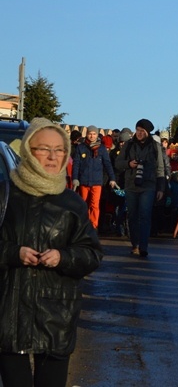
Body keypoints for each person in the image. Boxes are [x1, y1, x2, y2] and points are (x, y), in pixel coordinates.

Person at [0, 118, 103, 387]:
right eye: (43, 148)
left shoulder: (72, 203)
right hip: (9, 311)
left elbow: (92, 253)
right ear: (27, 151)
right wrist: (13, 253)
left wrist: (63, 257)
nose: (52, 156)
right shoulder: (5, 194)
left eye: (59, 150)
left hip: (56, 313)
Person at [115, 119, 167, 257]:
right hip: (131, 185)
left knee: (145, 216)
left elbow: (160, 169)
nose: (139, 133)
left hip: (148, 185)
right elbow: (118, 163)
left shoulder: (155, 147)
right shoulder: (129, 145)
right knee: (132, 216)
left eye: (142, 131)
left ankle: (143, 246)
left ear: (147, 132)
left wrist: (161, 188)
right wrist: (129, 163)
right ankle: (135, 245)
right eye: (137, 130)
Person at [71, 124, 118, 229]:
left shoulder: (101, 149)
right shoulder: (81, 147)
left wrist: (112, 178)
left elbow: (107, 164)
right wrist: (75, 178)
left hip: (97, 181)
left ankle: (93, 226)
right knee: (83, 204)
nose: (92, 136)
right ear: (86, 134)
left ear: (97, 135)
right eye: (90, 134)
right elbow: (76, 164)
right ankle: (83, 225)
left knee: (94, 205)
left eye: (94, 134)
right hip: (84, 180)